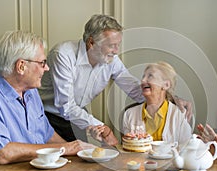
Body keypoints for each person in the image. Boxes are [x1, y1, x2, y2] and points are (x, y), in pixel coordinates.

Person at [38, 14, 192, 145]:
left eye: (118, 45)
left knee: (78, 165)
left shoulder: (111, 60)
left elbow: (134, 90)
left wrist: (172, 99)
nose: (116, 51)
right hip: (48, 117)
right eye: (111, 45)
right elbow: (66, 106)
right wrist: (104, 128)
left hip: (77, 116)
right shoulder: (63, 55)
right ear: (91, 42)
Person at [0, 30, 95, 164]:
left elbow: (48, 135)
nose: (47, 68)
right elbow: (2, 153)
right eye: (42, 63)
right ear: (21, 66)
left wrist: (79, 151)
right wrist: (65, 148)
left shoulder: (31, 91)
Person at [122, 62, 192, 148]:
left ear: (166, 85)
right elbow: (129, 150)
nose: (143, 80)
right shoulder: (129, 115)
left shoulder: (179, 115)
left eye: (150, 76)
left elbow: (186, 149)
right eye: (143, 76)